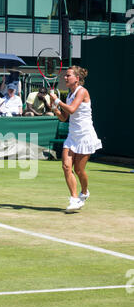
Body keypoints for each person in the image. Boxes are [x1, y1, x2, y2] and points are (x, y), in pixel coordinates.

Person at [50, 65, 102, 213]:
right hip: (72, 136)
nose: (65, 78)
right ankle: (74, 199)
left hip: (85, 135)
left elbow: (72, 109)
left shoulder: (82, 91)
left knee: (79, 170)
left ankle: (84, 192)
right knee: (66, 167)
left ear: (77, 79)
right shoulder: (69, 95)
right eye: (65, 75)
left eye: (68, 75)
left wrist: (56, 100)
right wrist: (55, 108)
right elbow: (64, 118)